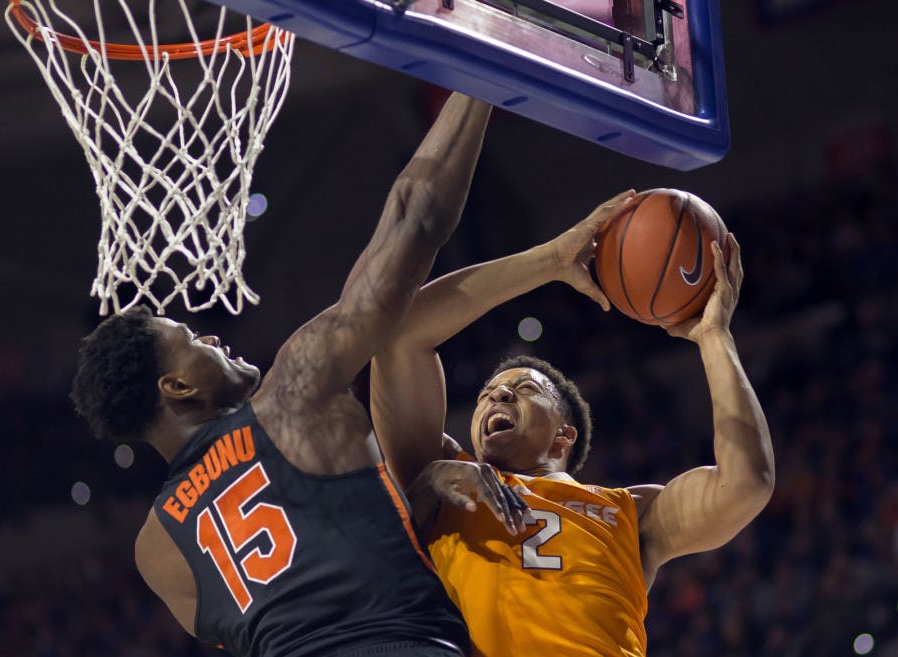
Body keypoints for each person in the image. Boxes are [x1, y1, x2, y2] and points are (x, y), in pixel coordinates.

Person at [69, 92, 501, 657]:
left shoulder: (156, 553)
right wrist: (482, 80)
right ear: (177, 388)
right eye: (195, 340)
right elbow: (415, 218)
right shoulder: (290, 398)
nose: (215, 339)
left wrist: (415, 494)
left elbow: (315, 578)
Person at [370, 194, 775, 657]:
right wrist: (552, 259)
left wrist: (713, 336)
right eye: (487, 395)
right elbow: (400, 337)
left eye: (523, 389)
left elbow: (746, 485)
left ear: (565, 434)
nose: (496, 396)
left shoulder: (631, 515)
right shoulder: (446, 476)